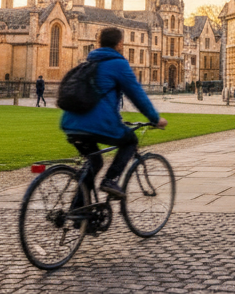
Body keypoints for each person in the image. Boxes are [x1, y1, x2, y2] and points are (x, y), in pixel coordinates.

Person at [60, 28, 166, 199]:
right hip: (98, 124)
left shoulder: (87, 63)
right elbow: (137, 95)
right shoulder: (118, 64)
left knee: (95, 162)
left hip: (70, 124)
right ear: (119, 44)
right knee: (130, 141)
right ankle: (110, 179)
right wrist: (155, 118)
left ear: (99, 43)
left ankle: (79, 213)